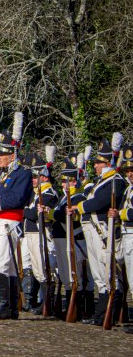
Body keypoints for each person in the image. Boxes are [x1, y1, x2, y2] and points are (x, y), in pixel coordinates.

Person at [70, 137, 126, 326]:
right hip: (92, 230)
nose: (95, 166)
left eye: (99, 162)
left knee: (108, 271)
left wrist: (81, 206)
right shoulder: (102, 181)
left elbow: (100, 202)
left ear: (108, 162)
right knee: (98, 273)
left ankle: (110, 313)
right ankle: (101, 313)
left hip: (103, 230)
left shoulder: (115, 181)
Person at [0, 117, 33, 320]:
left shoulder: (22, 174)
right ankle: (11, 307)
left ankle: (5, 305)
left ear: (12, 155)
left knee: (1, 264)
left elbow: (17, 197)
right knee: (8, 266)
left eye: (2, 154)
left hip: (8, 222)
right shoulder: (3, 175)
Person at [52, 152, 94, 320]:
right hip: (62, 238)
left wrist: (55, 214)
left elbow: (60, 215)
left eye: (66, 180)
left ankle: (80, 308)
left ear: (74, 181)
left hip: (74, 239)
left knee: (75, 275)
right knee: (65, 274)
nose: (63, 183)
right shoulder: (64, 197)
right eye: (62, 180)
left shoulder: (79, 197)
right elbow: (57, 214)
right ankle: (70, 306)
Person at [23, 150, 59, 315]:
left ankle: (47, 303)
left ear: (44, 177)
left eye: (36, 177)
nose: (33, 180)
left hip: (41, 233)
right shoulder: (36, 193)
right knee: (37, 269)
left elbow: (33, 214)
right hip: (31, 232)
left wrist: (26, 212)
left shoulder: (48, 193)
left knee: (44, 269)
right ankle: (40, 301)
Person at [113, 145, 133, 333]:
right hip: (126, 235)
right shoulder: (129, 190)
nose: (130, 174)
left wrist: (121, 213)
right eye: (128, 170)